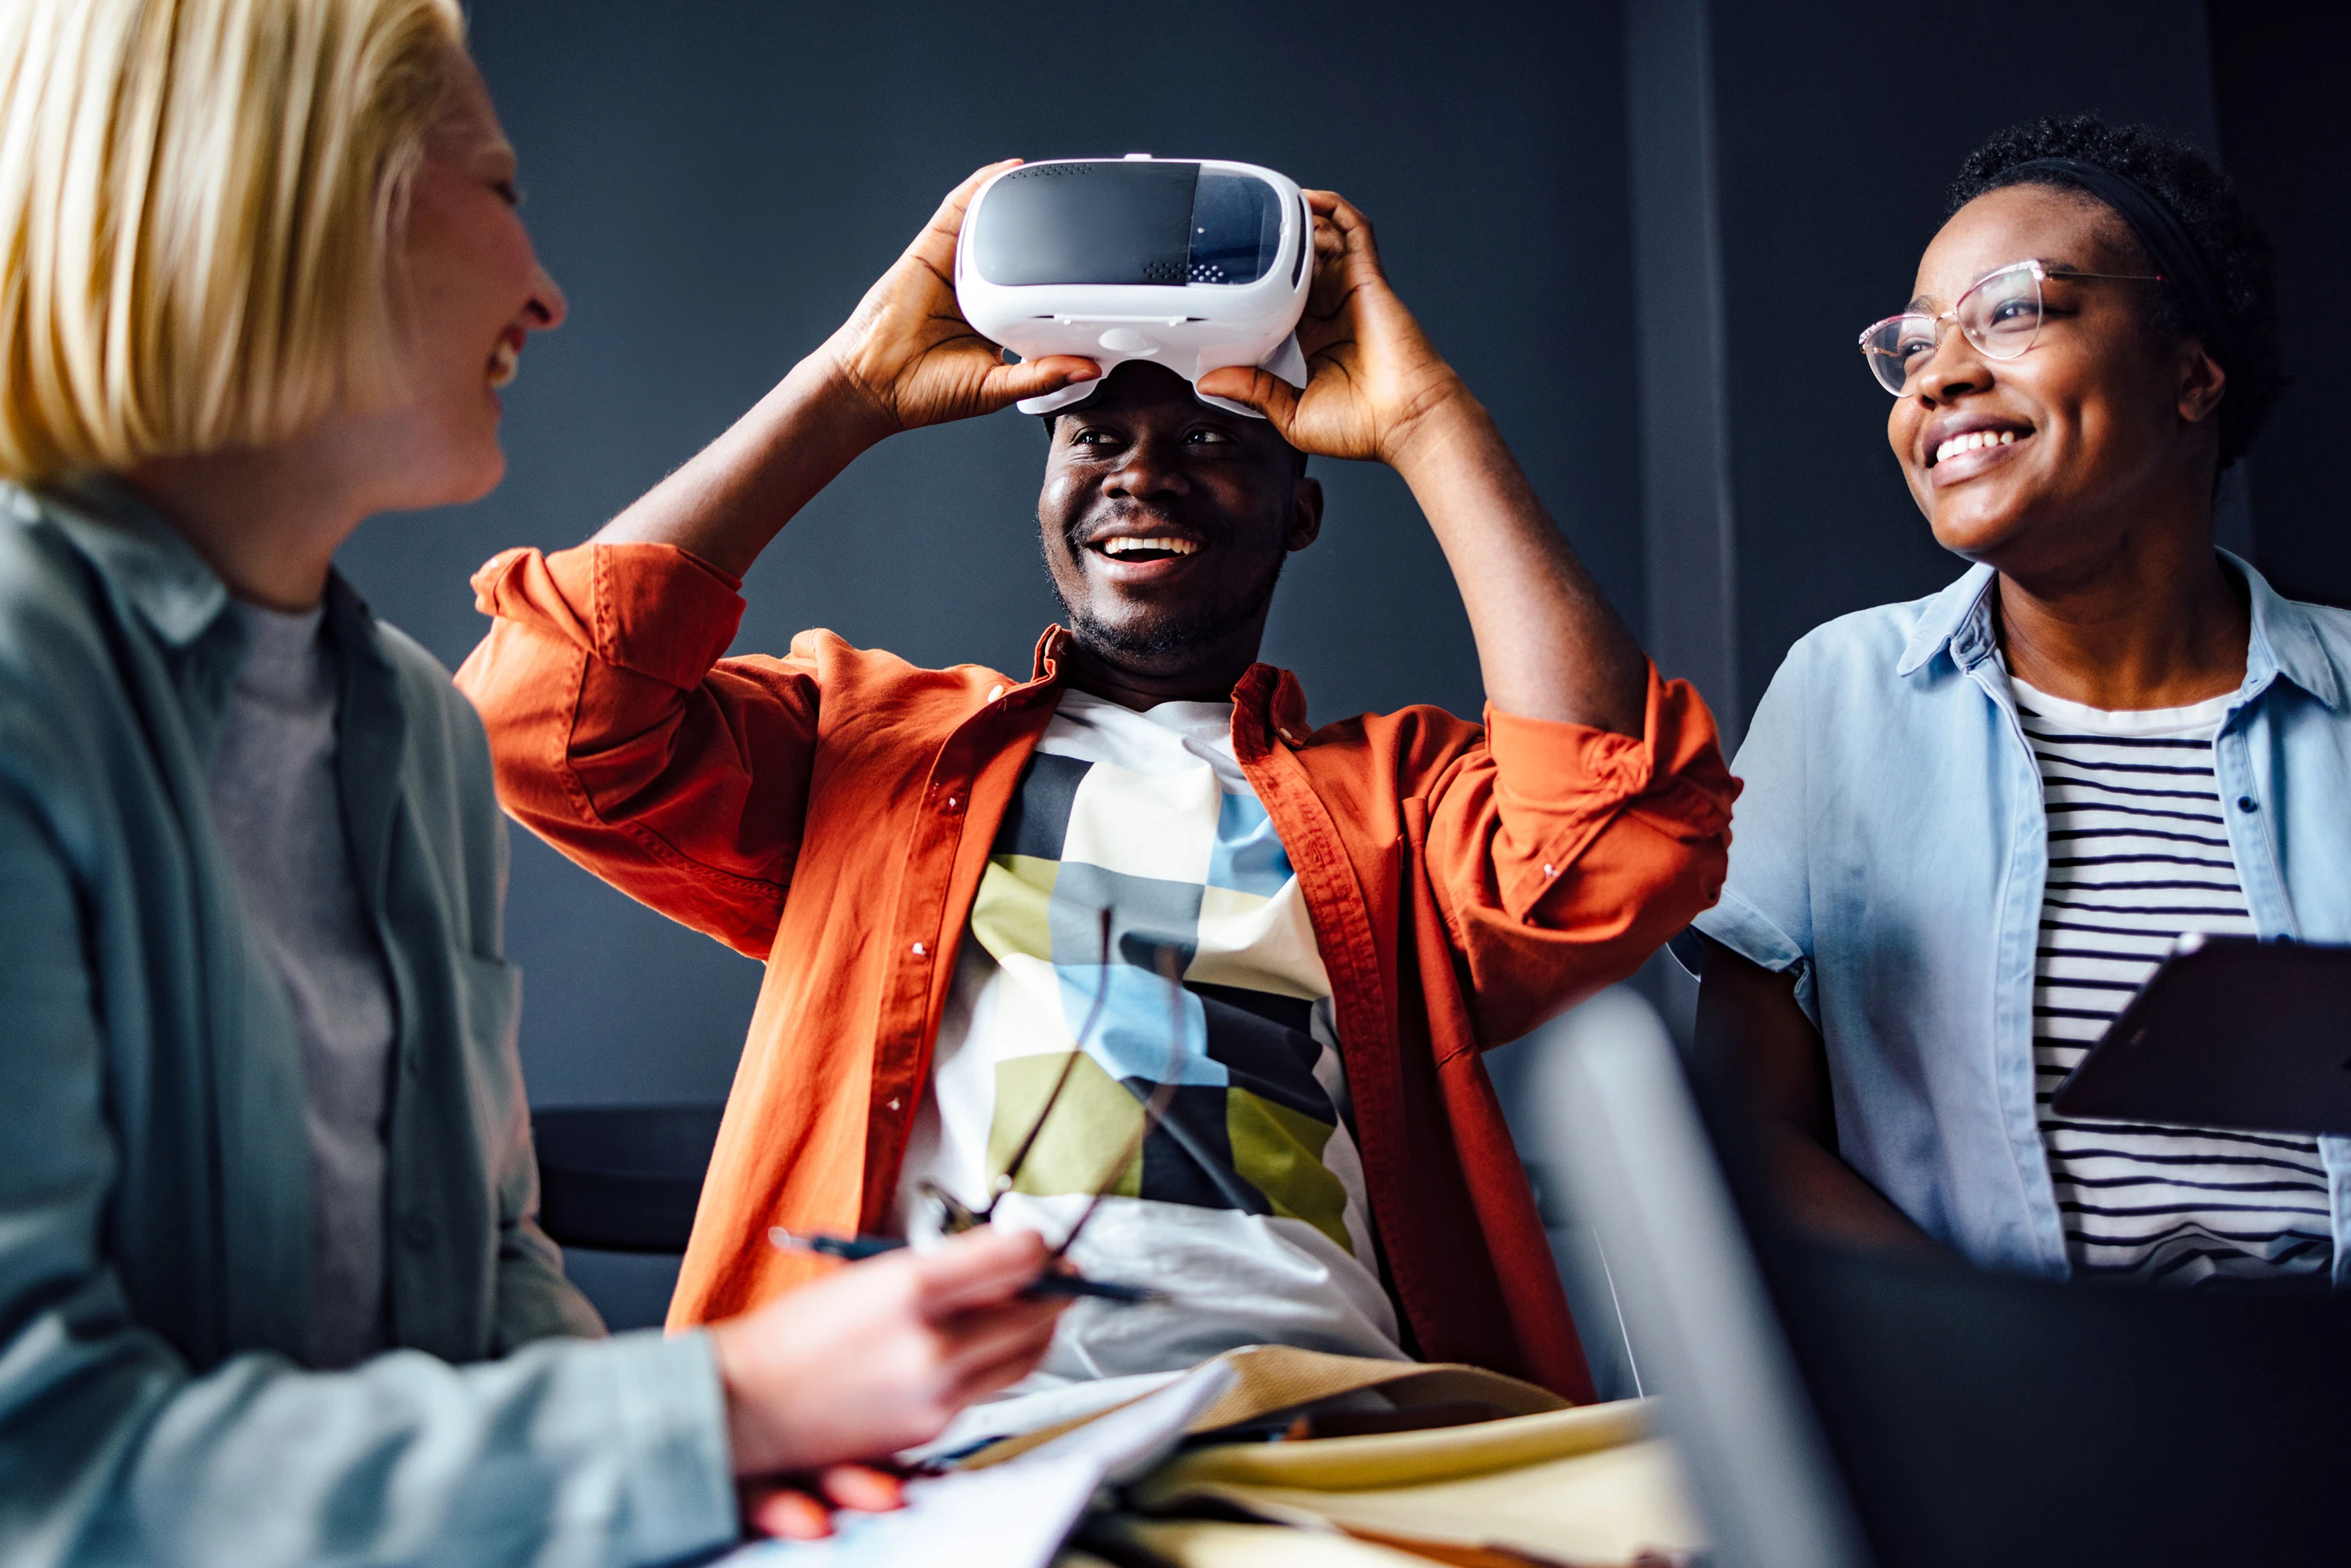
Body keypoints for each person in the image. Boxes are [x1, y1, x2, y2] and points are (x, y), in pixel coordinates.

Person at [0, 3, 1069, 1563]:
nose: (547, 290)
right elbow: (40, 1470)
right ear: (281, 197)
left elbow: (489, 1269)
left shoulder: (416, 735)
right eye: (496, 189)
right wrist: (716, 1414)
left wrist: (700, 1488)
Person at [455, 158, 1738, 1432]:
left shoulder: (1401, 801)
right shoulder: (865, 746)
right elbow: (538, 719)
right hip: (933, 1440)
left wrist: (1426, 420)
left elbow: (1625, 837)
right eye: (1095, 437)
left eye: (1211, 441)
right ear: (1045, 485)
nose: (1143, 474)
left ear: (1302, 508)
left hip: (1327, 1428)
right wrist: (848, 390)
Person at [1690, 115, 2349, 1289]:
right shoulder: (1843, 698)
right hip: (2013, 1425)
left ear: (2192, 373)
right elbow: (1748, 1141)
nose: (1938, 375)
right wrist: (2015, 1368)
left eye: (2010, 310)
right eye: (1915, 345)